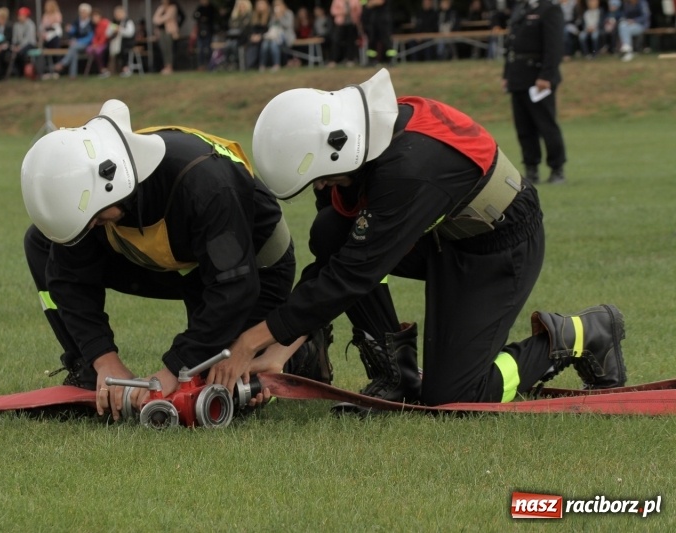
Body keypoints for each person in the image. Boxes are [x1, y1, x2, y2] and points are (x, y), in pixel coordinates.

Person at [208, 69, 627, 408]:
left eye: (320, 180)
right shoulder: (361, 143)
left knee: (457, 397)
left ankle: (578, 334)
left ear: (337, 152)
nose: (321, 190)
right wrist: (280, 350)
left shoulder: (407, 169)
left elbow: (353, 274)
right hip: (443, 237)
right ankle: (396, 374)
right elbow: (338, 265)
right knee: (331, 231)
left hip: (499, 248)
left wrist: (251, 340)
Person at [21, 99, 330, 420]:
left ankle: (295, 348)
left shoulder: (207, 186)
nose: (92, 227)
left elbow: (234, 288)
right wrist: (103, 360)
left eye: (96, 218)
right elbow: (69, 278)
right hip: (176, 261)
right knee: (42, 246)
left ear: (114, 184)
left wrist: (173, 370)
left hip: (253, 268)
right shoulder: (95, 201)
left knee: (222, 391)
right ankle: (89, 375)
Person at [503, 0, 566, 185]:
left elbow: (554, 46)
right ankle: (531, 169)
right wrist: (506, 74)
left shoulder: (550, 9)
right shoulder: (521, 8)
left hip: (538, 77)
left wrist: (547, 75)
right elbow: (511, 45)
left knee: (546, 125)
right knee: (524, 128)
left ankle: (557, 168)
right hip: (518, 76)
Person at [54, 3, 94, 78]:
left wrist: (78, 41)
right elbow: (74, 32)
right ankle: (73, 75)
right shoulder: (77, 21)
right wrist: (70, 30)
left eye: (84, 12)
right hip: (76, 45)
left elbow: (90, 38)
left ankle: (63, 63)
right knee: (74, 51)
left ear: (88, 13)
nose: (82, 13)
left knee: (73, 47)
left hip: (86, 45)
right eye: (81, 12)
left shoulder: (91, 23)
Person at [258, 0, 294, 71]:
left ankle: (276, 64)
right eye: (275, 6)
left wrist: (280, 18)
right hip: (273, 36)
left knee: (274, 44)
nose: (277, 7)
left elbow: (288, 25)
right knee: (265, 44)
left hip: (285, 37)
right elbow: (270, 27)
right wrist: (275, 18)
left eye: (278, 5)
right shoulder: (273, 15)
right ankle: (262, 65)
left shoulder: (288, 13)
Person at [328, 0, 361, 68]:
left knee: (350, 42)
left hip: (351, 23)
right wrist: (343, 12)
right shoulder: (337, 0)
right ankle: (334, 60)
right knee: (336, 41)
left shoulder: (355, 0)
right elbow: (333, 11)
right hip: (340, 24)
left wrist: (354, 14)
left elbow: (359, 11)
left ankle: (350, 60)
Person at [107, 5, 136, 76]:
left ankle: (126, 69)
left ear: (124, 14)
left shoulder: (128, 21)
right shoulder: (114, 22)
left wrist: (120, 30)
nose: (117, 15)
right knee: (107, 48)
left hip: (127, 42)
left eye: (119, 14)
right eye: (116, 14)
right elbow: (107, 33)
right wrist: (113, 31)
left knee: (123, 49)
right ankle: (111, 70)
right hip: (116, 42)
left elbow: (130, 33)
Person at [362, 0, 394, 64]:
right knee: (372, 40)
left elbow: (379, 2)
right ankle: (371, 60)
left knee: (386, 40)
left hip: (384, 19)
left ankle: (389, 60)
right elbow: (363, 3)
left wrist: (370, 3)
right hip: (373, 19)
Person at [152, 0, 180, 74]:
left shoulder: (173, 7)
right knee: (163, 49)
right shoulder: (160, 8)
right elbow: (154, 19)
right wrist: (160, 19)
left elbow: (167, 17)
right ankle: (166, 66)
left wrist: (160, 19)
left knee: (168, 49)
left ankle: (169, 67)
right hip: (161, 32)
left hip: (169, 31)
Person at [11, 7, 37, 78]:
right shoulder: (16, 25)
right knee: (12, 53)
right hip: (19, 45)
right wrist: (14, 46)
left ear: (26, 16)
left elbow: (28, 39)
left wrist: (20, 47)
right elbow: (15, 38)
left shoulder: (30, 25)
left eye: (21, 15)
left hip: (30, 44)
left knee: (21, 53)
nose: (19, 17)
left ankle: (23, 72)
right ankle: (16, 72)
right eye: (19, 15)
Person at [85, 7, 110, 76]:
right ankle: (101, 69)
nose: (94, 19)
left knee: (97, 51)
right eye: (93, 17)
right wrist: (94, 44)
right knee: (89, 50)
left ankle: (103, 69)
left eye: (95, 17)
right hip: (97, 44)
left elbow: (105, 36)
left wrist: (98, 44)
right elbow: (95, 37)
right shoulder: (96, 26)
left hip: (105, 44)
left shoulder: (105, 23)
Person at [191, 0, 216, 70]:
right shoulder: (199, 8)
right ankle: (201, 65)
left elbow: (212, 18)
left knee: (208, 48)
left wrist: (205, 19)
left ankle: (210, 64)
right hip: (200, 31)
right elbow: (194, 16)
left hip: (208, 31)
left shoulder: (211, 8)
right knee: (200, 49)